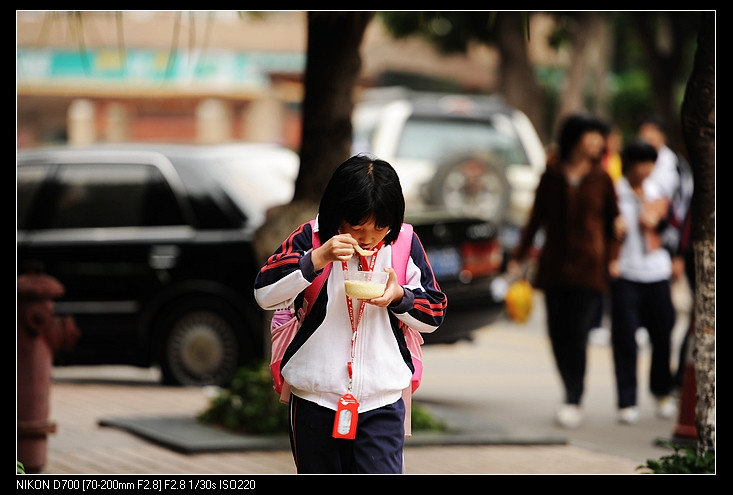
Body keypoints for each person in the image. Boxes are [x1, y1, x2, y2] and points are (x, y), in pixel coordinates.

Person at [254, 153, 447, 474]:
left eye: (381, 227)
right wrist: (316, 259)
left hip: (381, 399)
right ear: (337, 214)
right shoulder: (310, 238)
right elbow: (264, 293)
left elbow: (435, 313)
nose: (369, 238)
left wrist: (400, 297)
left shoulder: (403, 244)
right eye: (357, 227)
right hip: (314, 396)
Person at [508, 113, 621, 429]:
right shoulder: (552, 175)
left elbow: (615, 223)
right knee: (557, 333)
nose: (598, 142)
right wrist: (518, 257)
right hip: (555, 268)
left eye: (600, 136)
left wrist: (613, 256)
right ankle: (569, 389)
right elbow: (536, 219)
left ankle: (574, 397)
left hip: (590, 270)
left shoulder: (603, 178)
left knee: (578, 334)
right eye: (592, 135)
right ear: (576, 138)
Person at [609, 140, 678, 424]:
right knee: (625, 340)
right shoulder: (615, 194)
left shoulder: (657, 194)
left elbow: (672, 231)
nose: (646, 169)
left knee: (663, 335)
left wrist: (657, 224)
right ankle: (627, 401)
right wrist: (614, 231)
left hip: (656, 272)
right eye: (641, 162)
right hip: (625, 272)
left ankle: (662, 391)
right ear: (630, 164)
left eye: (651, 163)